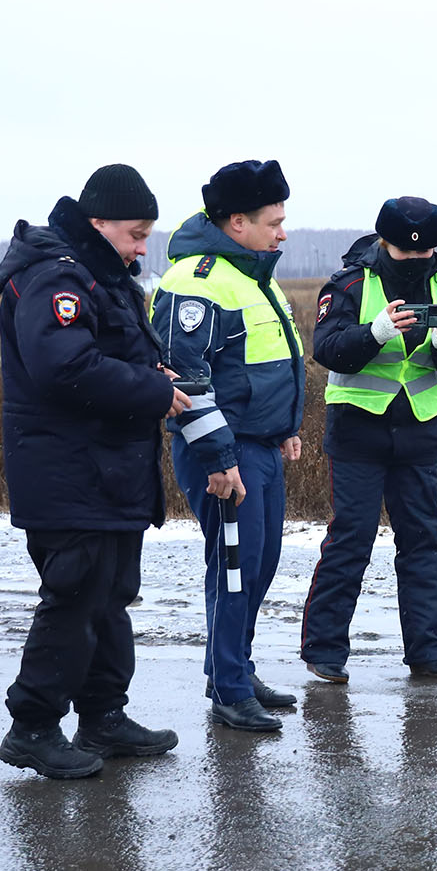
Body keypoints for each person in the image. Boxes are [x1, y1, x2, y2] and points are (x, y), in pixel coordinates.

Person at [0, 164, 190, 779]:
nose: (141, 248)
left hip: (108, 471)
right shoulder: (55, 277)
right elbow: (66, 368)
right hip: (66, 472)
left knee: (110, 597)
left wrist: (153, 377)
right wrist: (153, 392)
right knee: (73, 598)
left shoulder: (103, 275)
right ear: (97, 222)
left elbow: (114, 355)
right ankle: (32, 727)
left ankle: (102, 715)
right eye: (134, 234)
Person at [300, 196, 437, 683]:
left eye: (424, 254)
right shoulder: (349, 284)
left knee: (423, 543)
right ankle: (325, 651)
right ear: (384, 243)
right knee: (351, 541)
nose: (415, 261)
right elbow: (326, 351)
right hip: (358, 432)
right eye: (404, 253)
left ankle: (428, 653)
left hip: (420, 434)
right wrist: (374, 332)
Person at [150, 160, 305, 732]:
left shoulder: (254, 276)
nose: (282, 232)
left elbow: (265, 363)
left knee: (259, 563)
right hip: (221, 452)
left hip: (258, 446)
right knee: (234, 567)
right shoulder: (195, 281)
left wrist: (285, 425)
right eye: (274, 222)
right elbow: (186, 378)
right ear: (237, 221)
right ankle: (230, 690)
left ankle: (233, 667)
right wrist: (220, 460)